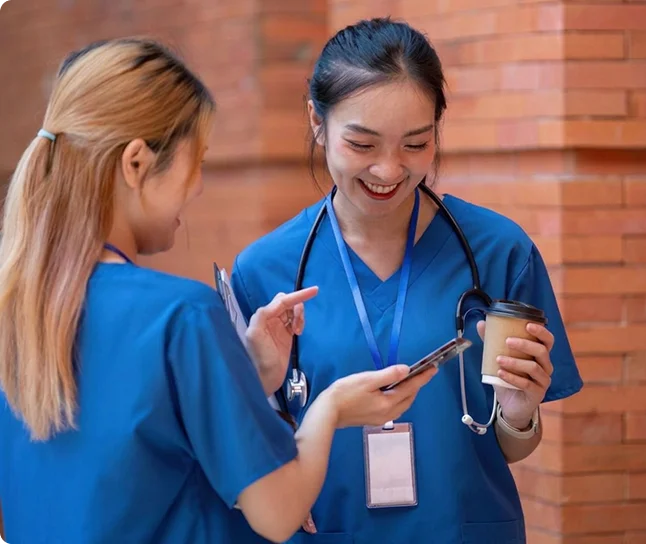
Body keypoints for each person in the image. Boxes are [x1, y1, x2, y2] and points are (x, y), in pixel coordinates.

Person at [0, 37, 436, 544]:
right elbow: (277, 514)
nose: (200, 186)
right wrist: (330, 408)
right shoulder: (181, 317)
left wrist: (243, 375)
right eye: (197, 161)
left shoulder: (18, 307)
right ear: (137, 163)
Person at [231, 17, 584, 544]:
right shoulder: (265, 271)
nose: (389, 170)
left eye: (415, 145)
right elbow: (241, 453)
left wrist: (519, 412)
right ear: (317, 122)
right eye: (363, 145)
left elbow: (511, 445)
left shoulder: (499, 252)